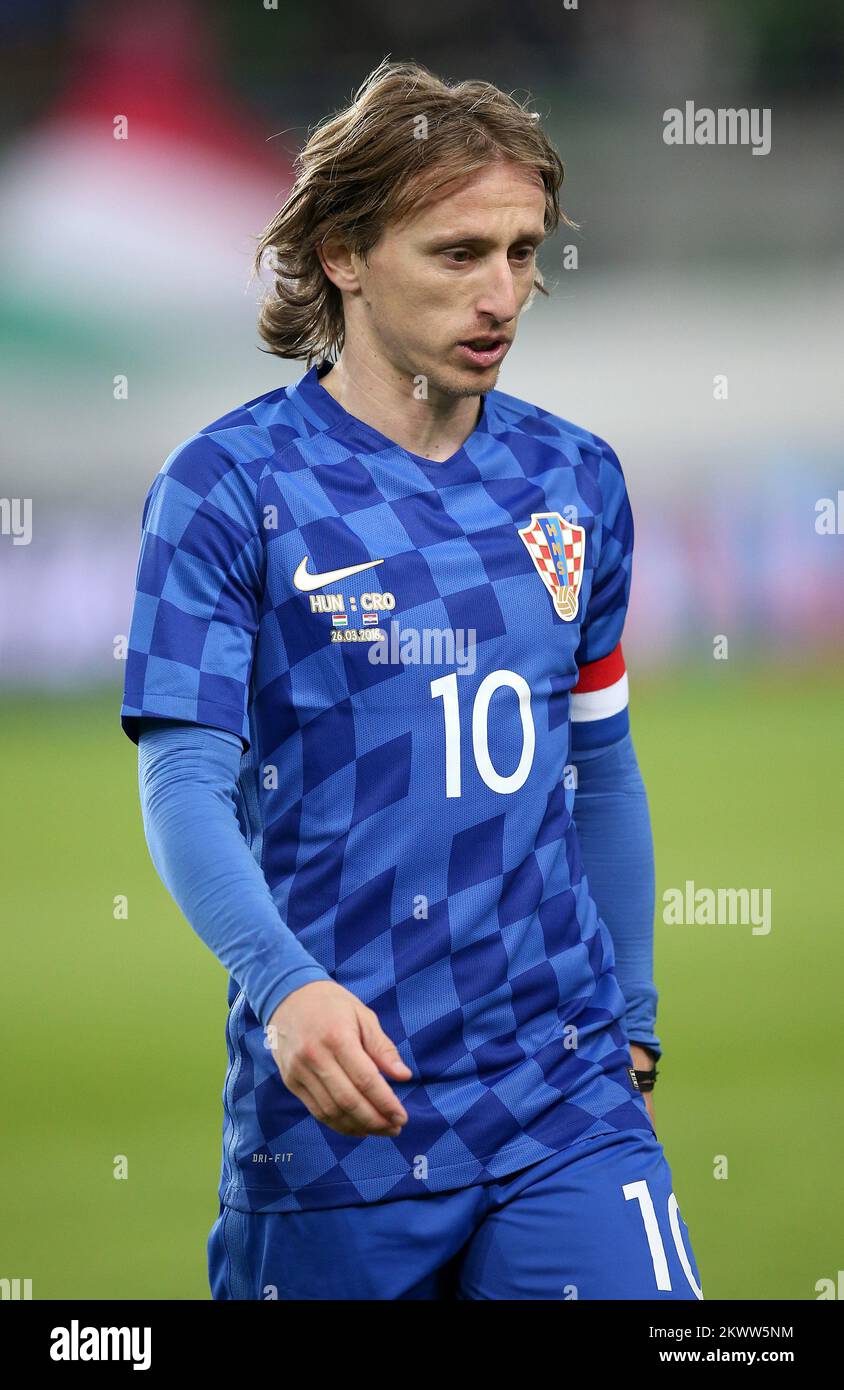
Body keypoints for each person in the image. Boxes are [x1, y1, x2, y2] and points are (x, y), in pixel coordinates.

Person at [121, 58, 702, 1300]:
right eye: (456, 254)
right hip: (339, 1117)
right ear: (341, 252)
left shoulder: (575, 481)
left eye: (522, 250)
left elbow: (598, 763)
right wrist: (286, 989)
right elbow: (182, 786)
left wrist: (634, 1016)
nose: (502, 294)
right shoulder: (230, 488)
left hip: (564, 1097)